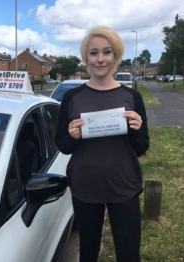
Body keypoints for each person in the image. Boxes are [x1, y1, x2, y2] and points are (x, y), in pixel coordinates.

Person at [54, 26, 150, 262]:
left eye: (106, 52)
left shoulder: (132, 97)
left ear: (115, 56)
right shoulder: (72, 97)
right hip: (85, 185)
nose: (100, 59)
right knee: (88, 253)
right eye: (93, 53)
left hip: (124, 184)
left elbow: (142, 147)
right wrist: (73, 136)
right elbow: (63, 145)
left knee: (128, 255)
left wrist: (136, 131)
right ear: (86, 57)